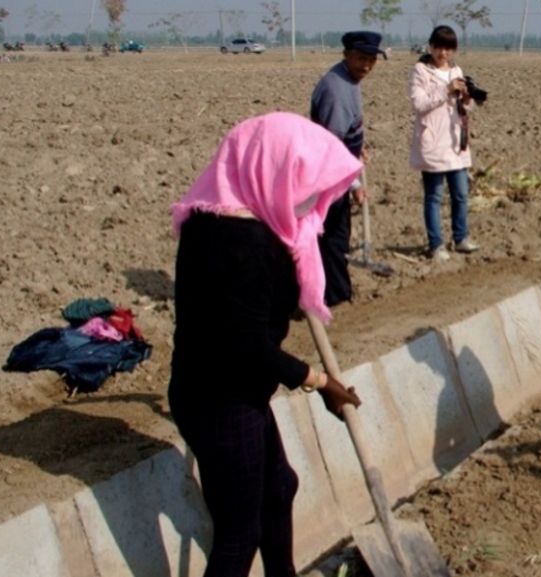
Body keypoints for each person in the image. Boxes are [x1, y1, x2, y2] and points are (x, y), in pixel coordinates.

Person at [169, 112, 363, 577]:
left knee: (279, 489)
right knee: (240, 533)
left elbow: (242, 315)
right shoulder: (248, 242)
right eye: (304, 183)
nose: (312, 199)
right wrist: (318, 381)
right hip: (222, 398)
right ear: (273, 171)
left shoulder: (210, 217)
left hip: (217, 389)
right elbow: (248, 344)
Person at [309, 31, 384, 305]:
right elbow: (331, 146)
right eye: (361, 58)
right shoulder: (336, 89)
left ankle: (333, 295)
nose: (366, 66)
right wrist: (354, 184)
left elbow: (345, 133)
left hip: (338, 170)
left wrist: (357, 146)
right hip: (328, 178)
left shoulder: (349, 79)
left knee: (335, 239)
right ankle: (334, 299)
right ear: (346, 55)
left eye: (371, 60)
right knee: (332, 240)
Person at [409, 25, 480, 261]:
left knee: (460, 193)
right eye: (439, 47)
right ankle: (436, 244)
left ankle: (461, 238)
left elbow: (463, 108)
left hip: (454, 141)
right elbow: (419, 104)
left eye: (448, 48)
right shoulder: (420, 71)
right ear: (430, 46)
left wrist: (468, 98)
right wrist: (446, 89)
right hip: (432, 142)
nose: (443, 53)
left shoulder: (456, 70)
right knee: (434, 196)